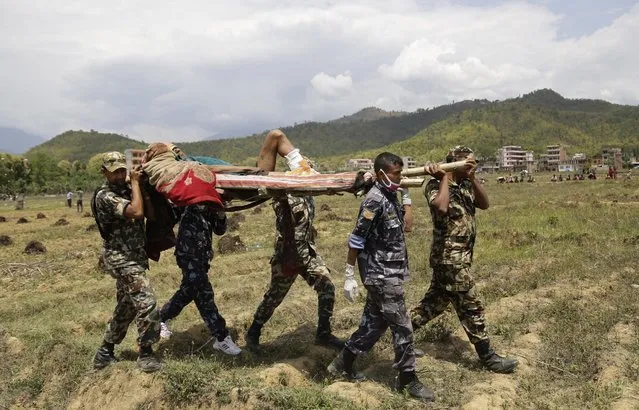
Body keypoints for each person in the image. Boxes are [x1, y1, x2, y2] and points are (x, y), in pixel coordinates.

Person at [327, 152, 435, 403]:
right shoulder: (373, 201)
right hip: (381, 275)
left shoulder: (390, 195)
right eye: (397, 174)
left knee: (373, 325)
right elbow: (356, 238)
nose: (400, 177)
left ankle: (342, 363)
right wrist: (349, 274)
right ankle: (408, 380)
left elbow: (407, 226)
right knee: (402, 325)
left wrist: (406, 194)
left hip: (390, 273)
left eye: (401, 173)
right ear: (381, 174)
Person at [409, 146, 517, 374]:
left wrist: (473, 178)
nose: (469, 165)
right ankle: (488, 357)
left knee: (433, 304)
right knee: (471, 306)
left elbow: (485, 204)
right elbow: (441, 207)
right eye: (464, 162)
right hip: (450, 258)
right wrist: (443, 178)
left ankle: (402, 334)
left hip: (461, 257)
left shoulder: (467, 184)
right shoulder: (435, 185)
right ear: (452, 162)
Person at [245, 193, 345, 351]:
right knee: (274, 297)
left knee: (327, 286)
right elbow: (283, 218)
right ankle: (253, 332)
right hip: (287, 254)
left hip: (307, 254)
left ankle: (323, 334)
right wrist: (283, 198)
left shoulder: (308, 193)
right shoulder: (285, 197)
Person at [92, 152, 161, 373]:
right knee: (147, 301)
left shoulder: (127, 190)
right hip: (120, 258)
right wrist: (134, 183)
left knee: (127, 306)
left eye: (123, 170)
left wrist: (140, 188)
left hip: (135, 256)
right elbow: (137, 211)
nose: (120, 175)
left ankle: (105, 351)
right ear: (104, 172)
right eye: (115, 172)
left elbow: (149, 213)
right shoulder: (105, 196)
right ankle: (146, 353)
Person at [158, 202, 242, 356]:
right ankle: (221, 337)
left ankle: (159, 318)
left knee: (188, 292)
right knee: (204, 294)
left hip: (202, 257)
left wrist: (221, 213)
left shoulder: (211, 205)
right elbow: (169, 216)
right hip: (188, 255)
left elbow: (220, 230)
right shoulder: (186, 202)